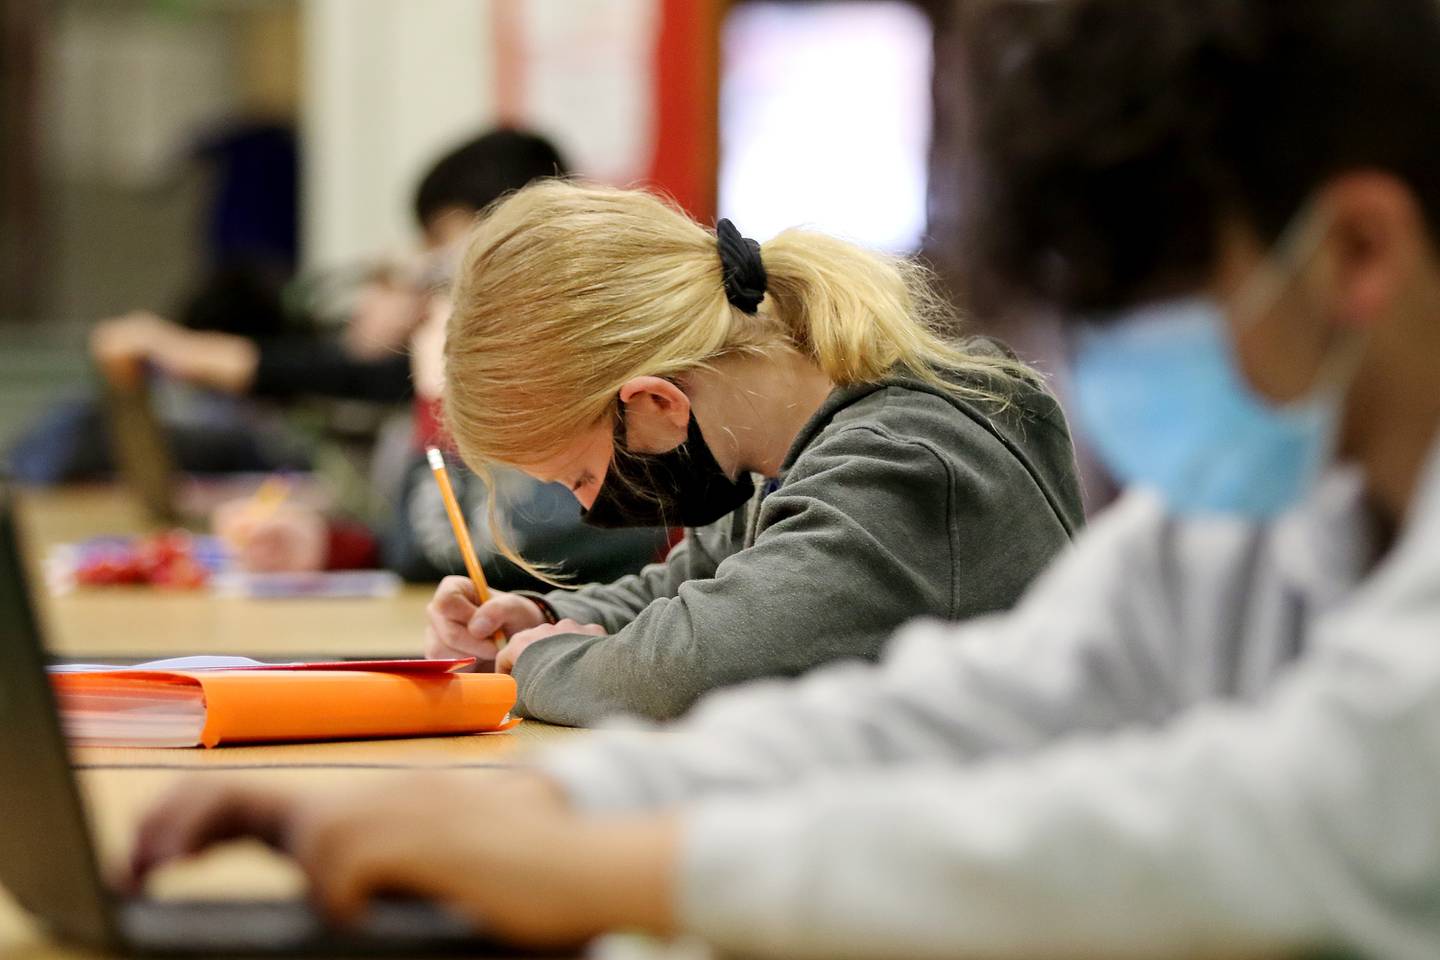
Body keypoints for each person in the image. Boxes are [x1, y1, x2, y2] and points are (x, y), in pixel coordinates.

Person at [123, 1, 1440, 955]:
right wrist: (548, 800)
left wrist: (622, 861)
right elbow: (982, 708)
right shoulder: (1270, 521)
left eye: (1144, 309)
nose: (1111, 373)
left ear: (1357, 253)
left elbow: (1237, 826)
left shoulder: (918, 446)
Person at [419, 179, 1083, 724]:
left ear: (655, 403)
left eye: (581, 475)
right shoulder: (797, 451)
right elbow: (690, 590)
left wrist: (532, 667)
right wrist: (546, 617)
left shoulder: (903, 464)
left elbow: (687, 667)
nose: (587, 505)